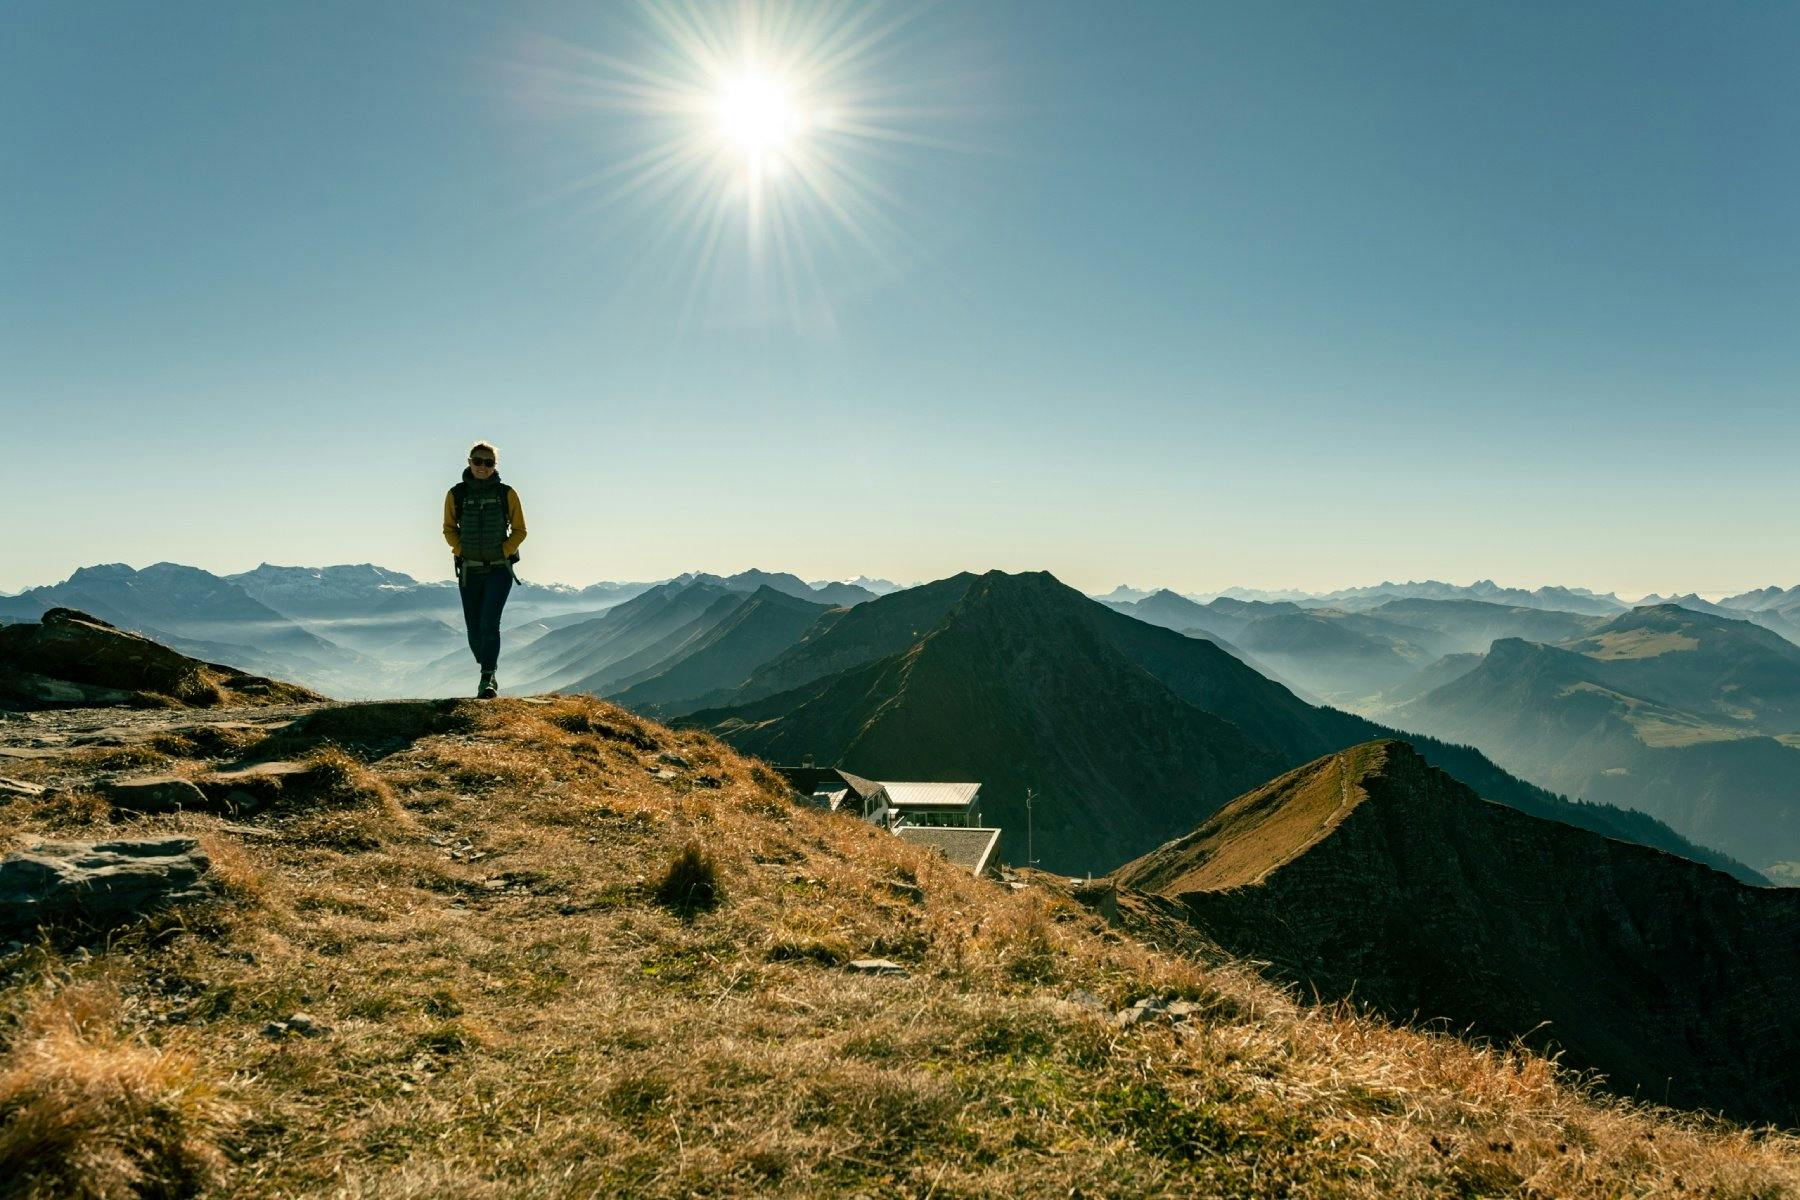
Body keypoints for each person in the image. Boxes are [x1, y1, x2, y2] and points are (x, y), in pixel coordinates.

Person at [442, 441, 527, 699]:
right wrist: (461, 550)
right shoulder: (456, 494)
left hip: (499, 572)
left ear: (495, 465)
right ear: (469, 462)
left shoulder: (506, 493)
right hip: (470, 570)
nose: (483, 466)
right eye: (478, 461)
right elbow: (448, 528)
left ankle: (487, 678)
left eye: (488, 462)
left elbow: (520, 530)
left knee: (490, 624)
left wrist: (503, 551)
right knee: (473, 628)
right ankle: (486, 666)